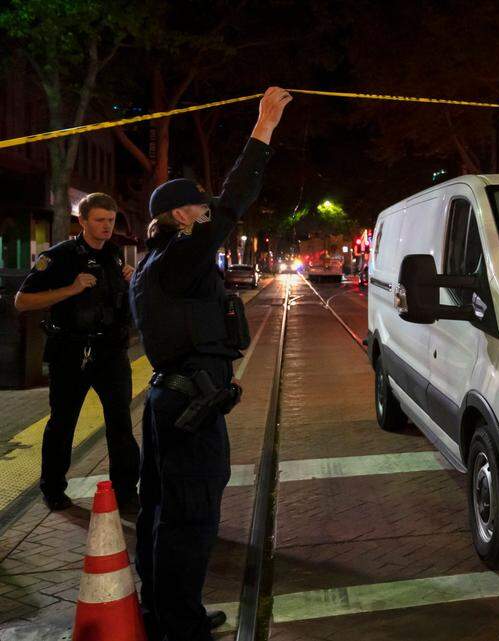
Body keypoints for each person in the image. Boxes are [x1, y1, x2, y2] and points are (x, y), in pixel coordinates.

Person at [130, 86, 291, 641]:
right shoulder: (179, 254)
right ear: (180, 214)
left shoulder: (151, 266)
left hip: (169, 400)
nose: (208, 214)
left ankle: (163, 612)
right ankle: (180, 624)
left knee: (160, 507)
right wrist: (263, 128)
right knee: (190, 514)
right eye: (199, 208)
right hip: (187, 405)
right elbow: (233, 201)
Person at [14, 193, 140, 513]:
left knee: (121, 423)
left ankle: (126, 492)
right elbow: (22, 301)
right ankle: (53, 489)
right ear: (82, 221)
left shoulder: (115, 257)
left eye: (110, 220)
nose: (106, 226)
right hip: (70, 351)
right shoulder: (60, 257)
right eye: (99, 220)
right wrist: (70, 289)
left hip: (111, 350)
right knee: (63, 422)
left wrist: (132, 280)